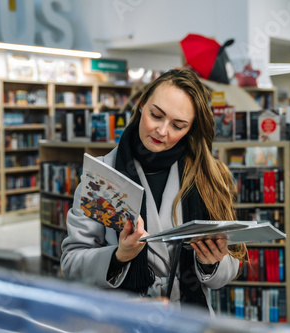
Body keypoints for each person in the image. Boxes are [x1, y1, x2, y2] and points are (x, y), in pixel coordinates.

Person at [61, 69, 247, 313]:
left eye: (178, 125)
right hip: (125, 318)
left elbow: (230, 264)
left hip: (188, 318)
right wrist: (119, 256)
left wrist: (211, 263)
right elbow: (71, 264)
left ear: (190, 129)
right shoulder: (101, 175)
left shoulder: (208, 175)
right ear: (141, 105)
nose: (162, 131)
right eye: (156, 115)